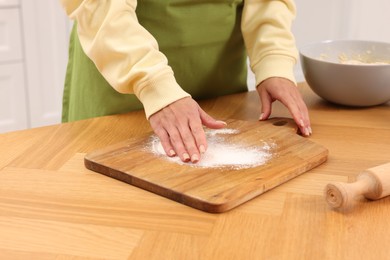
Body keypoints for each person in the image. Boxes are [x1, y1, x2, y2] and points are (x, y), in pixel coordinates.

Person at [60, 0, 311, 164]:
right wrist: (153, 84)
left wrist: (273, 60)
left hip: (218, 86)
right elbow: (99, 7)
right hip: (123, 77)